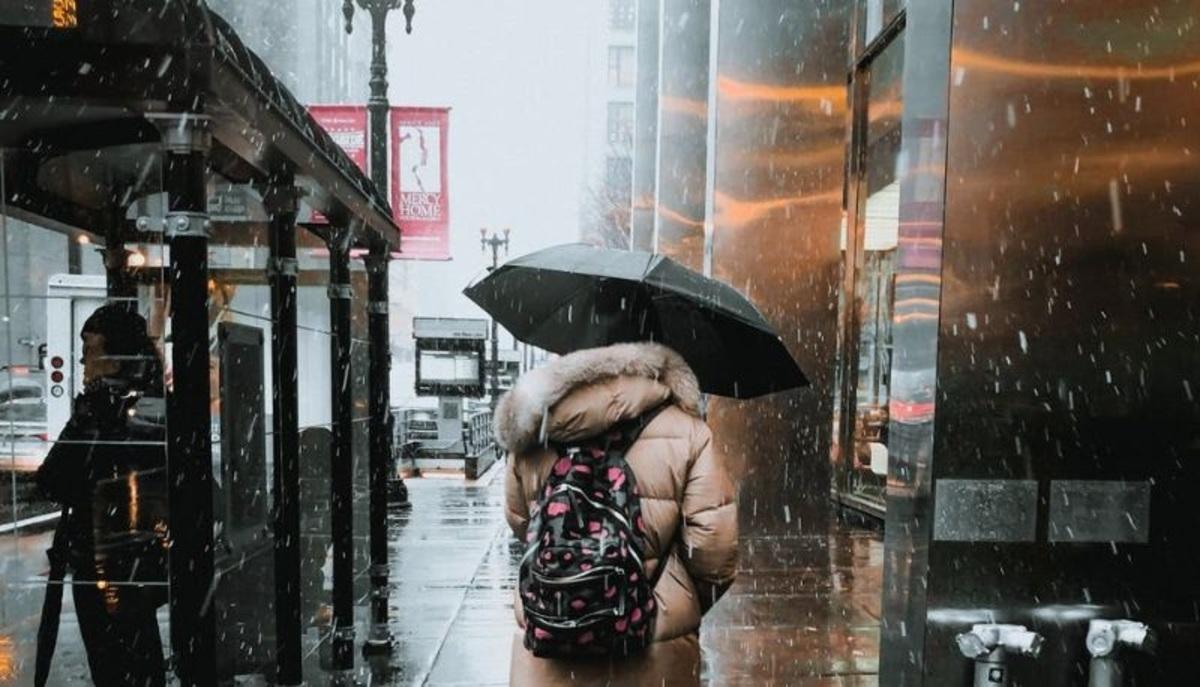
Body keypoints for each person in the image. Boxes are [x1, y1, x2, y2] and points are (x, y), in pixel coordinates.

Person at [498, 341, 738, 686]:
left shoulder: (534, 429)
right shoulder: (689, 432)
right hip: (654, 650)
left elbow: (521, 522)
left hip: (551, 635)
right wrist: (671, 597)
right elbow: (714, 549)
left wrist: (572, 570)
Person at [35, 304, 168, 687]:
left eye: (90, 351)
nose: (82, 361)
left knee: (112, 664)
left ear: (114, 361)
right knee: (141, 657)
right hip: (135, 558)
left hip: (103, 559)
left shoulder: (101, 411)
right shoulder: (150, 404)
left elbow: (53, 479)